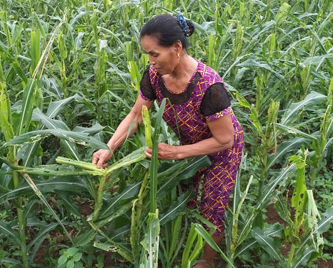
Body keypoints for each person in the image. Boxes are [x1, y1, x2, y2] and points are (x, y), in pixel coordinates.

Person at [92, 14, 244, 268]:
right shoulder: (154, 76)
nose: (151, 62)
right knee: (191, 198)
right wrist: (110, 147)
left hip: (221, 151)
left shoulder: (209, 86)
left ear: (176, 47)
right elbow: (136, 115)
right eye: (147, 56)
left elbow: (224, 140)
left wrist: (176, 153)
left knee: (212, 206)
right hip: (187, 147)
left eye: (155, 54)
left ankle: (206, 262)